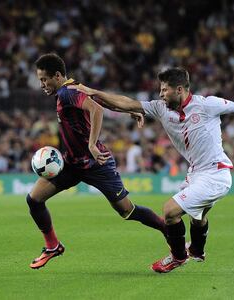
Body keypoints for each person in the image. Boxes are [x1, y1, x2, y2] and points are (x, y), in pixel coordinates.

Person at [68, 67, 234, 273]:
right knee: (199, 216)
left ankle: (177, 256)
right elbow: (126, 102)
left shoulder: (207, 104)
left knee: (170, 211)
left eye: (164, 89)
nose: (161, 94)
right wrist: (94, 93)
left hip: (215, 173)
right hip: (196, 173)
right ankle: (197, 251)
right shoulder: (162, 109)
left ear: (179, 90)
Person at [27, 53, 165, 269]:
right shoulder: (74, 87)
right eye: (40, 80)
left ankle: (169, 230)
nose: (42, 84)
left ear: (57, 75)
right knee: (34, 199)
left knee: (127, 211)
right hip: (71, 164)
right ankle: (53, 246)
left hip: (96, 163)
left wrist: (92, 144)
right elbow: (99, 100)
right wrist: (129, 109)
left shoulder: (65, 93)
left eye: (44, 79)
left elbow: (96, 109)